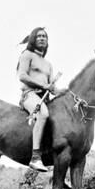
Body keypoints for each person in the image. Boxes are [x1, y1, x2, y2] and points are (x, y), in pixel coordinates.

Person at [17, 27, 57, 172]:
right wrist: (44, 85)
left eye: (44, 36)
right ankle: (35, 158)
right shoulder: (27, 55)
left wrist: (63, 92)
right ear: (33, 39)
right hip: (30, 95)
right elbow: (22, 76)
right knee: (43, 114)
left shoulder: (48, 64)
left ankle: (56, 163)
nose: (42, 38)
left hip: (44, 98)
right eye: (39, 36)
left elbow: (52, 88)